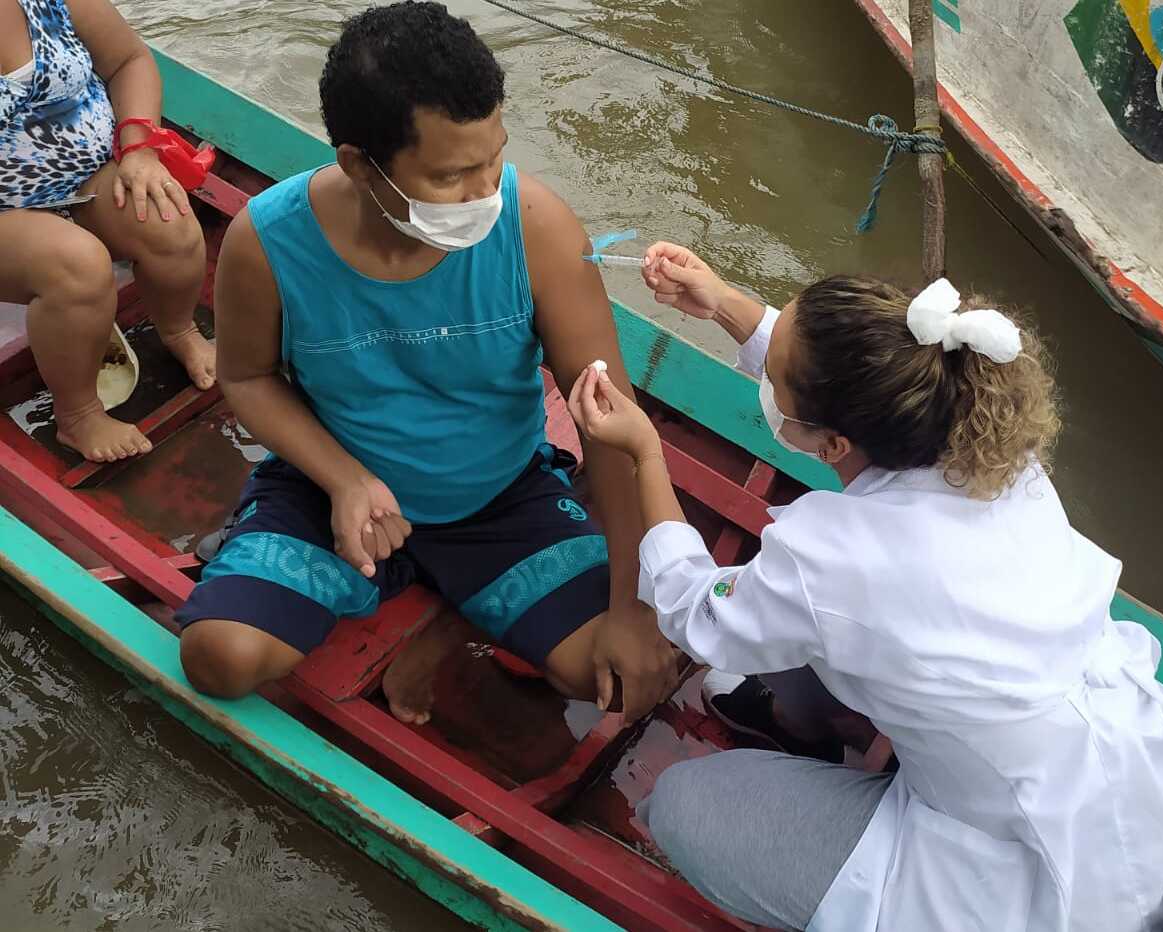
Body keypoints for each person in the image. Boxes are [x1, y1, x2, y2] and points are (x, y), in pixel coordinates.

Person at [567, 242, 1163, 931]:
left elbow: (695, 611)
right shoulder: (998, 454)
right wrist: (721, 302)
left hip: (1041, 881)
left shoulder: (832, 555)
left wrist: (646, 453)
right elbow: (837, 383)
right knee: (810, 627)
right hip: (1141, 784)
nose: (770, 379)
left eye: (775, 376)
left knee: (679, 803)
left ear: (834, 445)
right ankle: (800, 726)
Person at [175, 2, 677, 726]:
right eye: (450, 176)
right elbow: (247, 377)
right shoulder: (269, 240)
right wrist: (345, 481)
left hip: (499, 499)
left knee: (613, 676)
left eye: (493, 157)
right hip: (333, 490)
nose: (484, 193)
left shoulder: (535, 228)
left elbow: (612, 426)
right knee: (218, 658)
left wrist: (632, 607)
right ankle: (415, 587)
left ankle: (449, 607)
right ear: (359, 165)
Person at [0, 0, 214, 462]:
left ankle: (179, 331)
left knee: (169, 226)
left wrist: (139, 150)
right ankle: (78, 415)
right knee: (77, 268)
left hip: (87, 176)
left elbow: (128, 61)